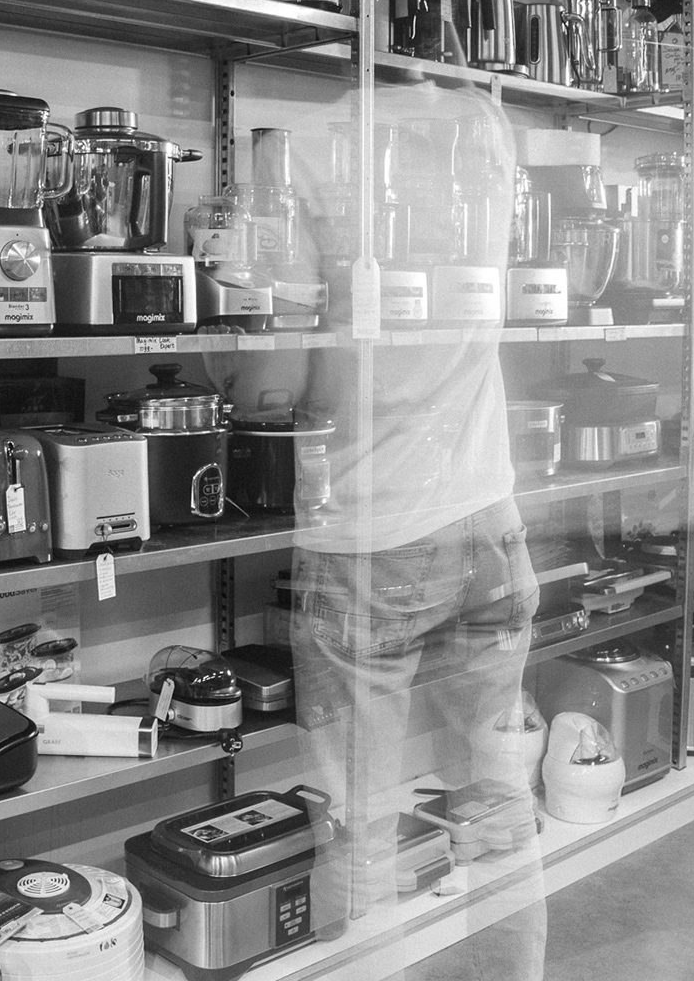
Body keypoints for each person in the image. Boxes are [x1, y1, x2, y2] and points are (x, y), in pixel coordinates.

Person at [227, 77, 545, 979]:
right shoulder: (484, 128)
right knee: (498, 802)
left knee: (359, 823)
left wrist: (226, 353)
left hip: (370, 535)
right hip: (490, 519)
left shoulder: (298, 148)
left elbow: (273, 389)